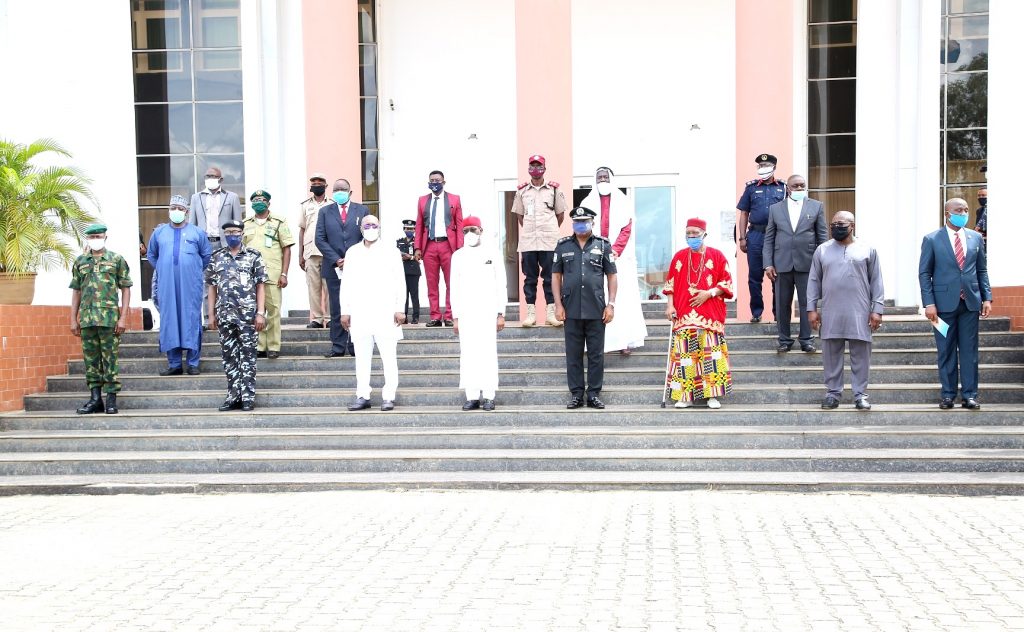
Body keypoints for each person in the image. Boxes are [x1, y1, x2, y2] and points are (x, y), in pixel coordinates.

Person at [919, 198, 992, 410]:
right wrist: (929, 303)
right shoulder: (932, 239)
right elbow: (925, 273)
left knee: (970, 351)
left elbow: (982, 270)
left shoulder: (976, 237)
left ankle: (970, 395)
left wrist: (986, 297)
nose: (963, 213)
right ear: (947, 213)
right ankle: (948, 395)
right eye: (958, 210)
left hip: (970, 302)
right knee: (946, 350)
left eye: (966, 210)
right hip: (941, 306)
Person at [807, 211, 884, 410]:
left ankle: (860, 395)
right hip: (831, 311)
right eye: (833, 224)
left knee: (861, 356)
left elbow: (876, 281)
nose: (836, 227)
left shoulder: (868, 249)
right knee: (831, 354)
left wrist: (877, 310)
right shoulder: (822, 250)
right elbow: (814, 280)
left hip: (860, 311)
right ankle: (833, 394)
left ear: (852, 226)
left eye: (840, 223)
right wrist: (811, 308)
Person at [662, 218, 734, 409]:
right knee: (685, 357)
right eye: (689, 233)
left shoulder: (717, 256)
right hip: (685, 314)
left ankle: (712, 396)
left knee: (712, 356)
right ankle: (685, 396)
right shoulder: (678, 257)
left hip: (709, 315)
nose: (692, 237)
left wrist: (708, 293)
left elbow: (726, 283)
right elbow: (670, 286)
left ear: (704, 234)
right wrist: (670, 306)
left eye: (695, 233)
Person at [340, 215, 407, 411]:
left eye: (374, 225)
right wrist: (345, 311)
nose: (371, 228)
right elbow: (347, 283)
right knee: (361, 358)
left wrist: (400, 308)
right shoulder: (353, 252)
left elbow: (399, 281)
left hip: (385, 312)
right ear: (361, 229)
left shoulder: (391, 251)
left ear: (380, 228)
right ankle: (363, 395)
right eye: (367, 225)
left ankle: (389, 396)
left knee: (388, 357)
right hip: (360, 312)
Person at [553, 207, 617, 409]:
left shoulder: (603, 245)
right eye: (577, 221)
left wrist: (611, 304)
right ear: (572, 223)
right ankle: (577, 395)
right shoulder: (563, 246)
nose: (581, 224)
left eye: (585, 221)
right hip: (570, 308)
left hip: (596, 308)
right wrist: (557, 304)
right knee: (573, 354)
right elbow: (556, 277)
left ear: (592, 223)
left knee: (596, 354)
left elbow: (612, 276)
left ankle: (594, 394)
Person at [579, 166, 648, 356]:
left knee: (621, 299)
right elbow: (584, 228)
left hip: (620, 258)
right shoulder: (587, 201)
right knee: (597, 299)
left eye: (605, 177)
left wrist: (615, 251)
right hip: (594, 257)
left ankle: (624, 341)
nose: (602, 180)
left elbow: (627, 228)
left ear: (612, 179)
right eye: (599, 177)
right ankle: (598, 342)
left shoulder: (625, 201)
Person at [69, 223, 132, 415]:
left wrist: (123, 318)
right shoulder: (80, 261)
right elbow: (76, 291)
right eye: (92, 237)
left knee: (110, 359)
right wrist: (73, 318)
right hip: (87, 320)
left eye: (99, 236)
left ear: (105, 237)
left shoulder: (116, 259)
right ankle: (95, 399)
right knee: (91, 361)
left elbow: (126, 288)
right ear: (88, 239)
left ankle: (111, 399)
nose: (95, 240)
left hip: (109, 319)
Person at [205, 220, 268, 412]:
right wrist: (211, 314)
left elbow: (260, 286)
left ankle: (248, 397)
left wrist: (260, 313)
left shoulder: (254, 256)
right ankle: (233, 396)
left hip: (248, 316)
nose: (232, 235)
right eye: (229, 232)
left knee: (248, 357)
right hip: (225, 315)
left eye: (236, 231)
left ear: (242, 233)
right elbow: (211, 287)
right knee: (229, 357)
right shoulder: (217, 257)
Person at [147, 195, 212, 376]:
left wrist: (190, 268)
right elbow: (152, 255)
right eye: (173, 207)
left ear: (186, 212)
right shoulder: (159, 233)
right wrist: (165, 268)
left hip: (190, 284)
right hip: (167, 284)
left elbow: (206, 256)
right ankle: (174, 364)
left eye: (180, 208)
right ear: (169, 210)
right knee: (170, 320)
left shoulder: (197, 233)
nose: (176, 211)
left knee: (191, 319)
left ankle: (192, 363)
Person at [763, 174, 827, 353]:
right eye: (795, 186)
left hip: (808, 263)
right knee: (782, 303)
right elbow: (769, 239)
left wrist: (822, 263)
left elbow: (822, 237)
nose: (799, 189)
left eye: (802, 186)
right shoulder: (775, 209)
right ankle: (784, 340)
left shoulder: (816, 206)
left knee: (808, 303)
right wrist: (768, 264)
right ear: (788, 188)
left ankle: (806, 340)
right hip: (781, 264)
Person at [450, 216, 507, 411]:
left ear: (481, 230)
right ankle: (472, 395)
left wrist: (501, 312)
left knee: (488, 353)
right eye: (465, 231)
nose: (469, 234)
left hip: (488, 311)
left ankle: (489, 395)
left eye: (473, 230)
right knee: (468, 354)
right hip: (466, 313)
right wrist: (455, 317)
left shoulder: (493, 253)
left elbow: (501, 284)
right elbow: (454, 288)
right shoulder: (457, 256)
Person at [512, 154, 569, 327]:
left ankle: (550, 314)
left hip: (549, 242)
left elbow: (560, 215)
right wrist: (532, 230)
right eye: (532, 166)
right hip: (529, 241)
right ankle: (531, 315)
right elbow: (520, 217)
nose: (535, 169)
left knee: (551, 278)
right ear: (528, 169)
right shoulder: (521, 191)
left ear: (544, 168)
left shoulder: (554, 190)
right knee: (530, 278)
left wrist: (547, 230)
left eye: (539, 166)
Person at [315, 178, 369, 358]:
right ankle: (338, 346)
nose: (340, 191)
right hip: (334, 267)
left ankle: (356, 346)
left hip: (358, 268)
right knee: (337, 307)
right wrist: (337, 259)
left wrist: (352, 258)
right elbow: (320, 239)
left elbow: (367, 236)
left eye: (343, 189)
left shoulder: (362, 210)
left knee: (357, 306)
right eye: (336, 189)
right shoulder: (324, 212)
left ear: (350, 192)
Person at [242, 190, 294, 360]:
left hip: (272, 274)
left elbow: (286, 248)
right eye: (256, 200)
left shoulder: (279, 222)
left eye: (262, 200)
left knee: (273, 311)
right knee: (256, 312)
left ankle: (273, 345)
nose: (259, 202)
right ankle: (259, 345)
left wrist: (284, 273)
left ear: (268, 203)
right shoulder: (245, 223)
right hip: (250, 276)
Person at [736, 153, 786, 323]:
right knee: (754, 276)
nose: (763, 169)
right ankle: (756, 312)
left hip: (777, 237)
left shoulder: (783, 188)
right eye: (760, 166)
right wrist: (741, 238)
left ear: (774, 168)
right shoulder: (751, 188)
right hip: (756, 235)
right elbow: (744, 213)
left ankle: (778, 314)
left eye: (767, 166)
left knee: (776, 277)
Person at [413, 170, 464, 327]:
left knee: (451, 282)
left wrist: (460, 248)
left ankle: (449, 315)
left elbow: (460, 224)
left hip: (448, 246)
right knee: (431, 283)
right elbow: (419, 225)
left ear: (444, 182)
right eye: (432, 180)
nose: (434, 183)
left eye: (437, 180)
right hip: (429, 246)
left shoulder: (454, 199)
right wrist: (417, 247)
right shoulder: (422, 200)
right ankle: (435, 316)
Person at [297, 172, 332, 328]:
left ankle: (330, 318)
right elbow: (302, 230)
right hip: (311, 251)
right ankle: (317, 319)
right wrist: (301, 254)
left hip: (328, 251)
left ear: (325, 185)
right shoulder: (305, 205)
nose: (317, 184)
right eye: (314, 182)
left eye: (320, 182)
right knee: (313, 287)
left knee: (329, 286)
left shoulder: (332, 203)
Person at [189, 166, 243, 249]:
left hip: (225, 243)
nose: (209, 178)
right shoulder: (196, 198)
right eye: (207, 176)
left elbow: (238, 223)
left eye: (213, 176)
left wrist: (236, 243)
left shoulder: (232, 197)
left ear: (220, 179)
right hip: (203, 243)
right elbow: (192, 224)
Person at [397, 218, 421, 324]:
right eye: (407, 228)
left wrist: (410, 257)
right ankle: (404, 316)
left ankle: (415, 317)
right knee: (404, 295)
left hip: (414, 272)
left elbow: (420, 256)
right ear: (404, 229)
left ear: (415, 230)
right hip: (402, 272)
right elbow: (396, 255)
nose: (409, 231)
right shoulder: (399, 242)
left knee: (414, 295)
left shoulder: (417, 242)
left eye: (411, 229)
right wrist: (404, 257)